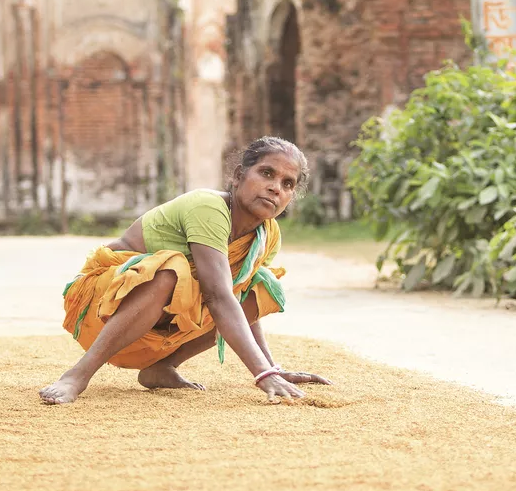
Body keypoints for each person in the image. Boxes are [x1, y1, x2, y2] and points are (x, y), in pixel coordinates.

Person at [40, 136, 331, 405]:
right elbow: (218, 297)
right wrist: (263, 375)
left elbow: (239, 294)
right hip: (102, 309)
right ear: (239, 175)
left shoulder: (267, 234)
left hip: (155, 329)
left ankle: (161, 367)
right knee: (170, 271)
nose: (276, 188)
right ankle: (77, 375)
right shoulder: (209, 208)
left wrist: (272, 369)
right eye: (267, 173)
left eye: (288, 184)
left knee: (262, 285)